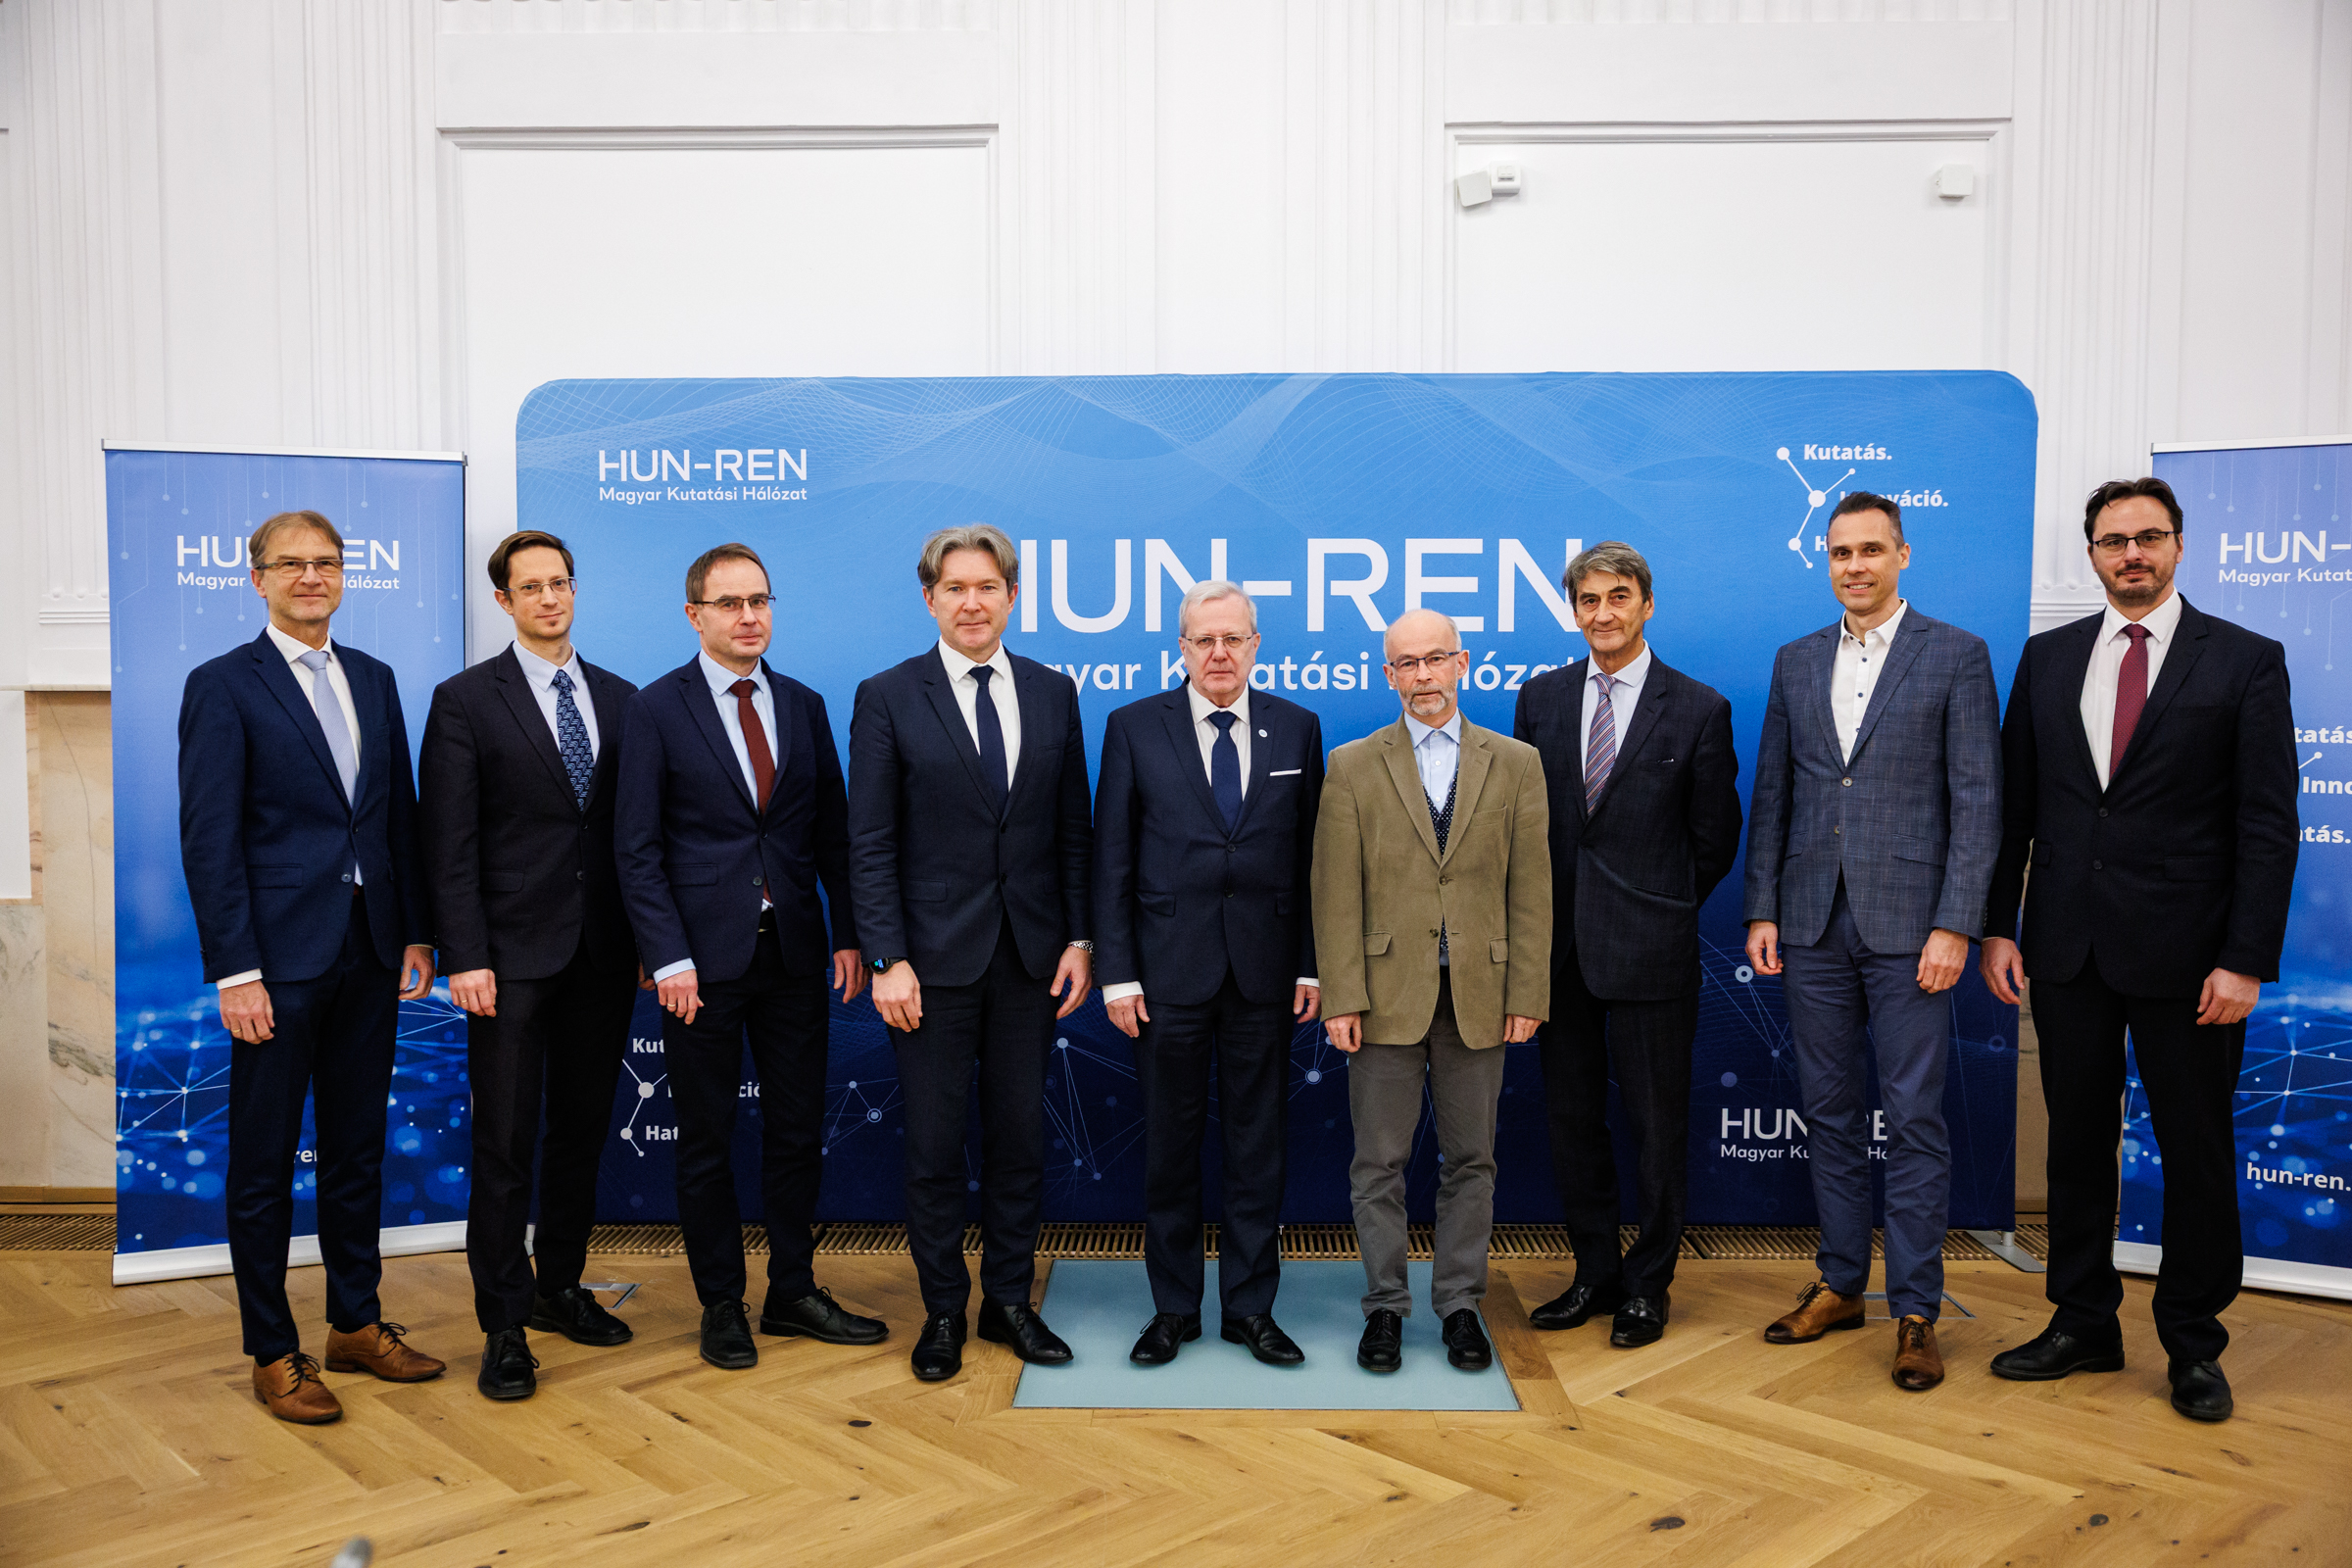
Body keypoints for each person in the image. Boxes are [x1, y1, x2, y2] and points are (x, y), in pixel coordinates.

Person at [1982, 477, 2297, 1423]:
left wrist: (2245, 959)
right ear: (2091, 554)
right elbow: (2016, 807)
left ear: (2179, 545)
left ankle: (2194, 1343)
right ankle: (2083, 1322)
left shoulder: (2245, 660)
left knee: (2196, 1152)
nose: (2132, 554)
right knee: (2076, 1149)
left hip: (2193, 963)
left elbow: (2266, 825)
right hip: (2067, 950)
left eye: (2148, 537)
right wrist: (1999, 924)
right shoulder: (2047, 658)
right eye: (2114, 540)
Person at [177, 508, 446, 1424]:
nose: (310, 577)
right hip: (276, 965)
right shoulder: (223, 685)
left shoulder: (373, 677)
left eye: (326, 562)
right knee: (262, 1164)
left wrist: (415, 933)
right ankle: (272, 1349)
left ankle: (355, 1325)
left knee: (357, 1152)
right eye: (290, 564)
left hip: (371, 952)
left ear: (343, 575)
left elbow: (396, 816)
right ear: (256, 578)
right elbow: (209, 838)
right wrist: (236, 971)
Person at [1742, 492, 1999, 1393]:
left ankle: (1916, 1309)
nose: (1855, 566)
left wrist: (1956, 923)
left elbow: (1979, 801)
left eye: (1871, 550)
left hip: (1913, 930)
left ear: (1902, 555)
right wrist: (1763, 908)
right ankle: (1842, 1284)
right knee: (1829, 1111)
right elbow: (1774, 792)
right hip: (1810, 921)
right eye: (1841, 552)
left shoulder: (1957, 654)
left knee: (1915, 1119)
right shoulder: (1796, 659)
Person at [614, 542, 885, 1371]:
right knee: (706, 1138)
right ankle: (721, 1303)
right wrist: (667, 958)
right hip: (699, 967)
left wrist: (849, 935)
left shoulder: (802, 704)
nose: (748, 617)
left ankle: (792, 1292)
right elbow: (637, 848)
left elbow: (833, 832)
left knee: (797, 1131)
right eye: (729, 603)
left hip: (795, 955)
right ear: (694, 615)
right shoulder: (656, 709)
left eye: (759, 601)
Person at [848, 524, 1095, 1383]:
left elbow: (1072, 830)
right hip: (929, 967)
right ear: (930, 600)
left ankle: (1010, 1302)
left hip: (1030, 961)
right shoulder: (887, 695)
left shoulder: (1054, 693)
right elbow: (870, 840)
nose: (972, 602)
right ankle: (945, 1311)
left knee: (1021, 1140)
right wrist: (887, 958)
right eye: (954, 588)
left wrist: (1079, 939)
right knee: (935, 1146)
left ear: (1012, 596)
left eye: (987, 586)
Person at [419, 529, 644, 1400]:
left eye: (561, 583)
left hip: (603, 953)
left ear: (574, 591)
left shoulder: (621, 698)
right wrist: (464, 956)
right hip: (506, 960)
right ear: (504, 602)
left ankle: (558, 1288)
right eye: (532, 587)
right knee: (505, 1142)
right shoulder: (465, 701)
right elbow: (448, 842)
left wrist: (645, 945)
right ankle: (504, 1324)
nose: (550, 598)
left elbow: (633, 836)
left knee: (580, 1134)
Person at [1512, 542, 1741, 1348]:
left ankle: (1648, 1286)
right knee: (1573, 1123)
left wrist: (1660, 906)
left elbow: (1714, 840)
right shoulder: (1540, 699)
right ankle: (1594, 1275)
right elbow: (1529, 827)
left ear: (1646, 604)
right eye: (1588, 600)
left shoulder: (1699, 707)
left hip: (1652, 948)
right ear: (1573, 611)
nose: (1603, 613)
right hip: (1560, 951)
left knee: (1656, 1125)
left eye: (1618, 596)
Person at [1312, 609, 1550, 1375]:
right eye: (1407, 664)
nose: (1423, 676)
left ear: (1462, 663)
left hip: (1482, 995)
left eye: (1435, 659)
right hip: (1383, 996)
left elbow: (1531, 889)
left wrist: (1528, 991)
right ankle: (1385, 1306)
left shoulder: (1516, 763)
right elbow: (1335, 892)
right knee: (1378, 1162)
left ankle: (1459, 1307)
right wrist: (1342, 995)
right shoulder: (1352, 765)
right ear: (1389, 676)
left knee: (1472, 1159)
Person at [1095, 581, 1324, 1368]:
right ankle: (1174, 1309)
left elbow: (1312, 859)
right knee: (1170, 1148)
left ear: (1255, 646)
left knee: (1260, 1150)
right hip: (1165, 977)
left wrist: (1310, 964)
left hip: (1266, 975)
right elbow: (1112, 858)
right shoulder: (1133, 727)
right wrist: (1118, 975)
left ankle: (1251, 1310)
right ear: (1182, 649)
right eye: (1204, 640)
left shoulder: (1297, 727)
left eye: (1233, 639)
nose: (1219, 653)